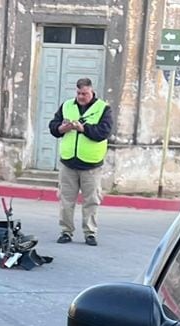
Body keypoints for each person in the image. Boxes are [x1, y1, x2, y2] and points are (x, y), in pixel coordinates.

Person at [47, 77, 112, 246]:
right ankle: (66, 231)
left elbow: (103, 132)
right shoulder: (67, 105)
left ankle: (90, 233)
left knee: (91, 201)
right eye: (79, 93)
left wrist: (83, 129)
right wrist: (61, 128)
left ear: (92, 92)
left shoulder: (103, 108)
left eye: (85, 93)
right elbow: (53, 126)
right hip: (68, 163)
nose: (81, 97)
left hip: (91, 164)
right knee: (66, 200)